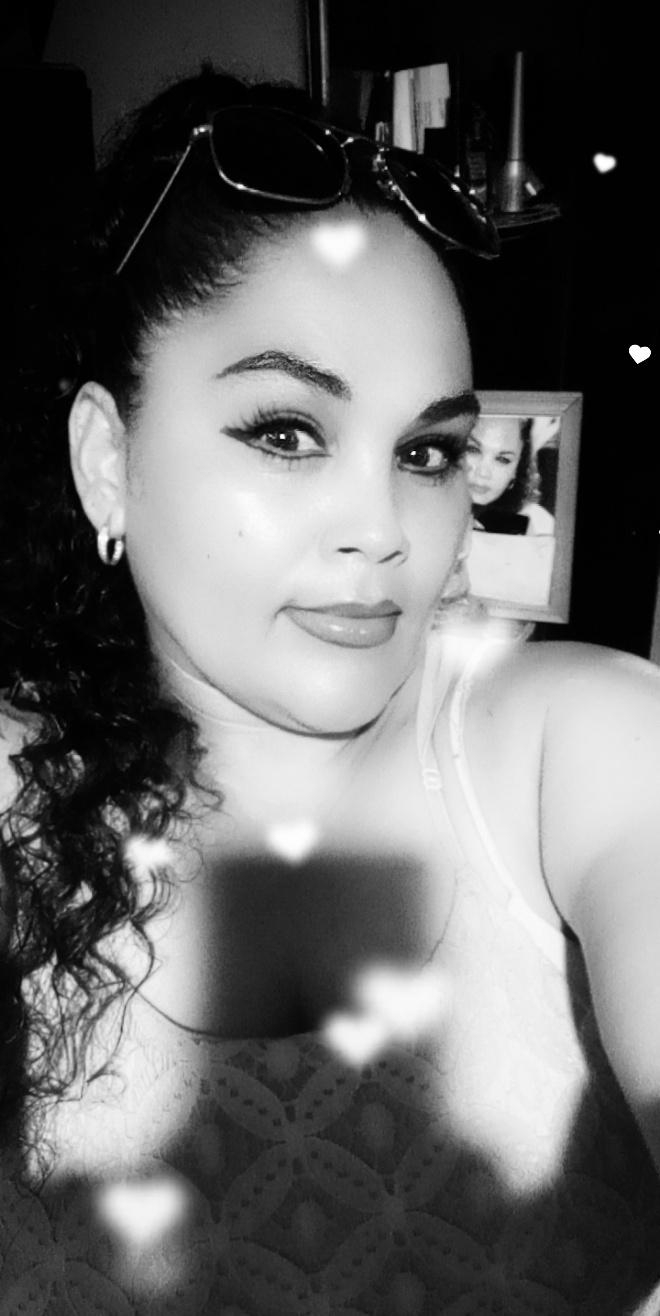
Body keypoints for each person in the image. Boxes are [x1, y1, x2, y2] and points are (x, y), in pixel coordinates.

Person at [1, 66, 660, 1316]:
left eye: (427, 451)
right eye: (287, 432)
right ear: (106, 460)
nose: (385, 526)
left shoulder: (575, 750)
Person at [466, 414, 555, 534]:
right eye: (473, 450)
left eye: (503, 459)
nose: (483, 473)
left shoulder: (534, 527)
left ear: (516, 470)